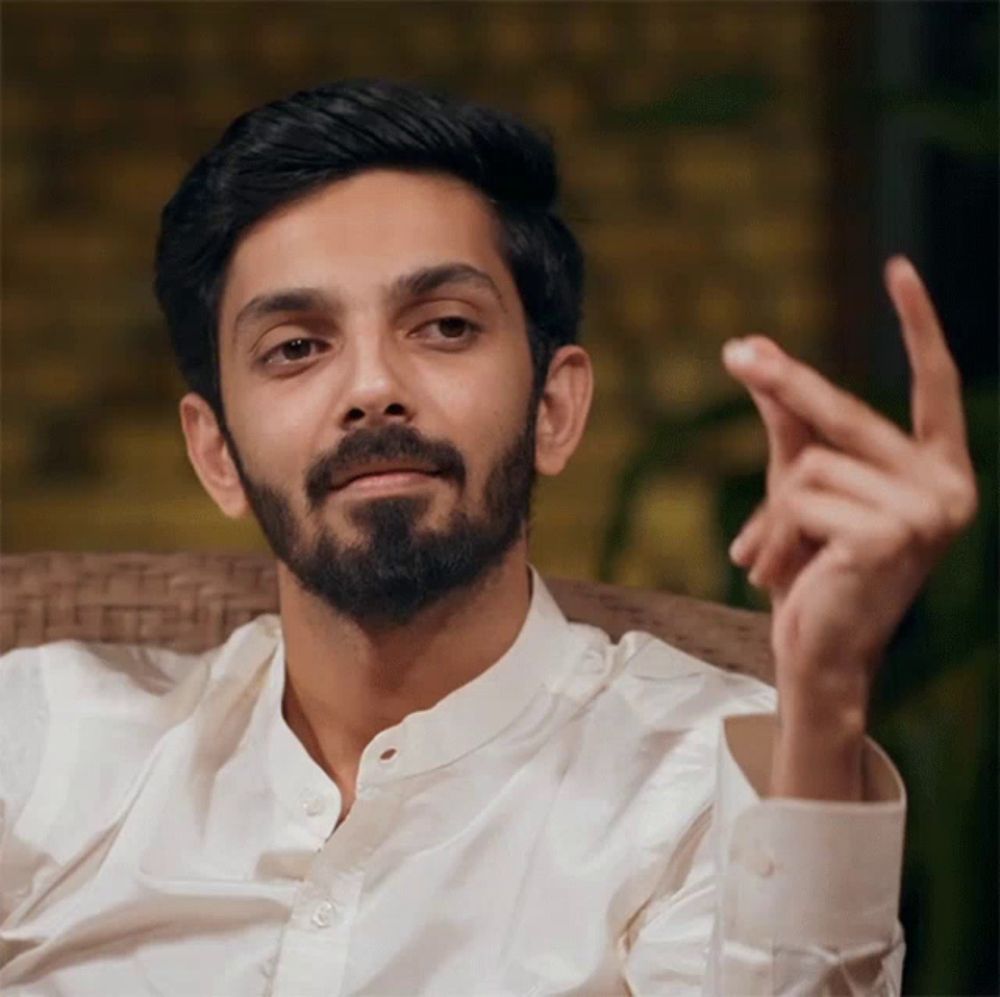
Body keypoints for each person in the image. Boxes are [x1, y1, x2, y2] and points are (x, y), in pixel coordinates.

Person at [0, 79, 978, 996]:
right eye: (297, 346)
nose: (372, 385)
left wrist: (829, 692)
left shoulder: (699, 781)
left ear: (553, 409)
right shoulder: (47, 745)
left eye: (445, 326)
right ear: (215, 454)